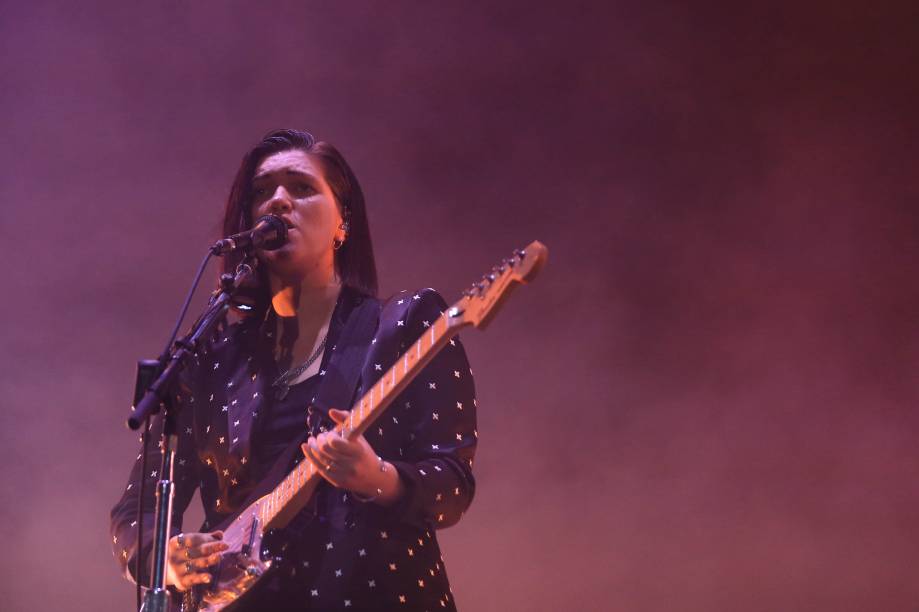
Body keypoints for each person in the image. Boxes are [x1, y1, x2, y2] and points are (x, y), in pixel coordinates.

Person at [110, 129, 478, 611]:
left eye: (301, 188)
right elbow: (136, 512)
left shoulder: (405, 324)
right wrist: (168, 561)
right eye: (262, 192)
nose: (278, 201)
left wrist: (377, 477)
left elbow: (452, 483)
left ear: (343, 221)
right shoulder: (210, 361)